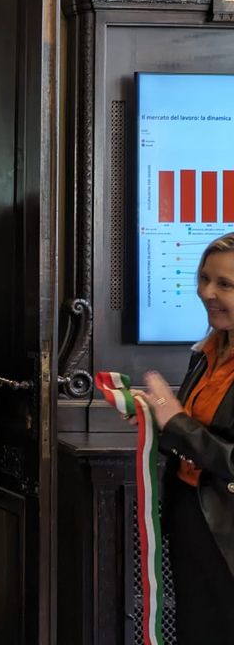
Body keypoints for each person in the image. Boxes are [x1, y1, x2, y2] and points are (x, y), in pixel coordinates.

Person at [135, 232, 234, 643]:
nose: (207, 292)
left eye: (225, 284)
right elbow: (194, 428)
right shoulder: (207, 350)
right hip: (194, 518)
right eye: (204, 278)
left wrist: (175, 422)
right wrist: (153, 418)